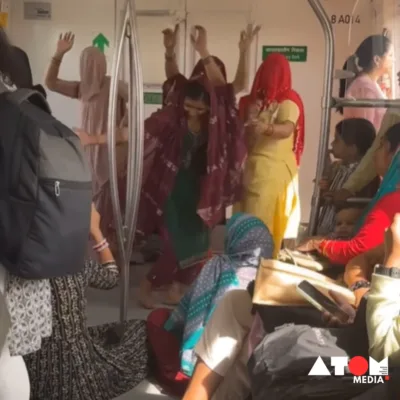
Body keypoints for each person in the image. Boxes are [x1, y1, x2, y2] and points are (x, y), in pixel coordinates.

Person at [77, 27, 248, 309]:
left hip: (200, 191)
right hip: (171, 187)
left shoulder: (217, 120)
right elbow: (135, 132)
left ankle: (177, 289)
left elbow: (227, 90)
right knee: (174, 245)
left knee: (199, 243)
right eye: (189, 107)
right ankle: (147, 288)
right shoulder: (174, 114)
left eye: (200, 110)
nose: (193, 113)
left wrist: (215, 51)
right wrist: (93, 139)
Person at [24, 204, 148, 400]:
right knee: (137, 331)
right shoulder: (73, 260)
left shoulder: (16, 263)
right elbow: (111, 277)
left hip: (29, 368)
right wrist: (96, 232)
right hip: (76, 367)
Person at [159, 213, 274, 377]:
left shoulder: (219, 266)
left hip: (208, 360)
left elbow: (196, 307)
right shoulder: (272, 277)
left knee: (157, 321)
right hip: (250, 367)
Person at [45, 32, 128, 241]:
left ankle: (109, 255)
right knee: (89, 207)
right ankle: (95, 251)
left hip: (109, 156)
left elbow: (135, 103)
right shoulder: (82, 88)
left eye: (93, 64)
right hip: (87, 156)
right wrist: (58, 54)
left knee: (108, 209)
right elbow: (51, 83)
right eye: (85, 64)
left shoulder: (112, 86)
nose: (89, 69)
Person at [297, 122, 400, 265]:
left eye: (380, 146)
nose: (374, 154)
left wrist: (319, 244)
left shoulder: (394, 200)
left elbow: (360, 248)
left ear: (393, 154)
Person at [233, 53, 305, 255]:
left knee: (261, 224)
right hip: (253, 171)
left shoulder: (288, 101)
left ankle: (260, 270)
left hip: (273, 173)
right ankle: (245, 270)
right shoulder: (254, 102)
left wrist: (266, 128)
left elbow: (287, 130)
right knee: (245, 221)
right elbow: (246, 141)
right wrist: (251, 120)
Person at [162, 23, 260, 100]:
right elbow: (173, 77)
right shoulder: (188, 91)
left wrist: (244, 52)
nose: (206, 77)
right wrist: (169, 51)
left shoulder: (221, 97)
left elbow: (237, 84)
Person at [317, 118, 376, 235]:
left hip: (343, 234)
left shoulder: (365, 175)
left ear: (353, 149)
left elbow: (358, 205)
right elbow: (323, 200)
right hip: (327, 229)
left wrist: (335, 198)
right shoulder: (338, 167)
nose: (332, 144)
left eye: (337, 140)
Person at [339, 34, 393, 131]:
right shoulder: (365, 88)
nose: (394, 60)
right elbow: (365, 131)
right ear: (377, 59)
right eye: (390, 55)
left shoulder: (369, 84)